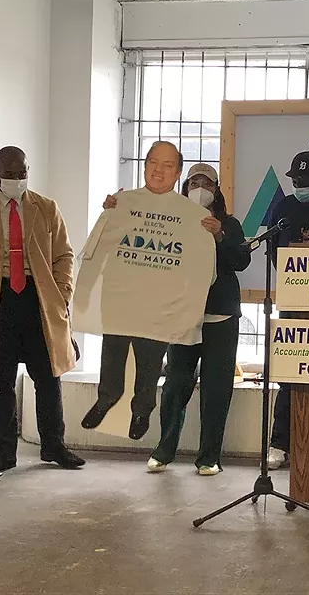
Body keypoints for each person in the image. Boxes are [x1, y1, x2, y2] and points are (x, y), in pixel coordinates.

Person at [103, 163, 250, 475]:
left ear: (216, 189)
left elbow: (241, 260)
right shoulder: (170, 223)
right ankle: (164, 450)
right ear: (184, 187)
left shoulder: (230, 224)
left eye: (206, 184)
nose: (199, 188)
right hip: (183, 316)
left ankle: (209, 457)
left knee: (216, 388)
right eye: (193, 182)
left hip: (220, 317)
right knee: (175, 385)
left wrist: (220, 236)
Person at [0, 146, 85, 471]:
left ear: (28, 171)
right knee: (0, 379)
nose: (16, 180)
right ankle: (4, 450)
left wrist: (62, 292)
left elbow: (64, 255)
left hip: (37, 299)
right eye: (9, 174)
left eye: (22, 173)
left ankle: (53, 445)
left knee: (48, 376)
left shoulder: (46, 207)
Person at [81, 142, 221, 441]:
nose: (159, 170)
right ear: (144, 166)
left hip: (160, 303)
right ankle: (107, 397)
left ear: (178, 172)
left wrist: (213, 233)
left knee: (150, 361)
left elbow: (202, 265)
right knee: (113, 352)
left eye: (168, 165)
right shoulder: (122, 203)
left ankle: (142, 409)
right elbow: (97, 247)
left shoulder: (193, 215)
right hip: (120, 296)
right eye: (153, 162)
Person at [267, 151, 309, 470]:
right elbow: (273, 251)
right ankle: (280, 443)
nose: (299, 186)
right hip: (294, 302)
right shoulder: (285, 207)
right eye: (295, 180)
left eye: (305, 182)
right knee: (290, 375)